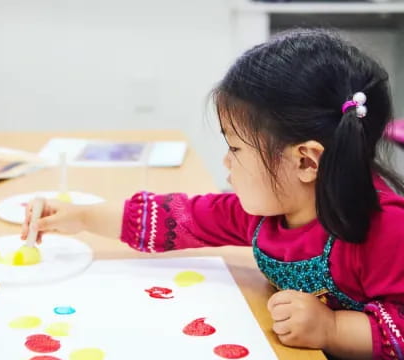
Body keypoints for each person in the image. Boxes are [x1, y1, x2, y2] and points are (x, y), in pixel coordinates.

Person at [21, 29, 404, 359]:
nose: (226, 162)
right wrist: (82, 216)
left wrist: (333, 329)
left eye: (236, 149)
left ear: (305, 162)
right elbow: (177, 218)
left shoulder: (387, 229)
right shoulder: (266, 210)